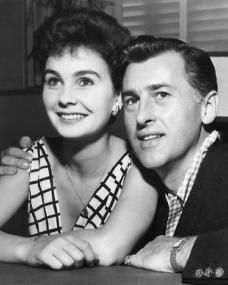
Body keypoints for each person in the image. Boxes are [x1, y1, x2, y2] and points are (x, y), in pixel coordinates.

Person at [0, 11, 158, 270]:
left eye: (84, 81)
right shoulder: (30, 158)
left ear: (118, 95)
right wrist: (27, 248)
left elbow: (110, 247)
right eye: (54, 81)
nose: (64, 98)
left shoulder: (141, 165)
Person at [120, 35, 228, 284]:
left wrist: (179, 252)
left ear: (208, 107)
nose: (141, 116)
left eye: (161, 95)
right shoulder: (135, 185)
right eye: (132, 100)